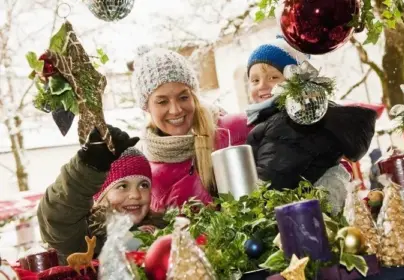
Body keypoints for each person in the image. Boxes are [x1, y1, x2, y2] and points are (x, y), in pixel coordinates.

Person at [245, 38, 377, 212]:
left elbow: (271, 181)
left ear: (294, 80)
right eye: (255, 80)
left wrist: (243, 207)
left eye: (273, 77)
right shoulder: (275, 118)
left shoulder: (289, 121)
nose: (262, 86)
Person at [132, 47, 252, 212]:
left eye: (183, 97)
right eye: (162, 102)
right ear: (146, 108)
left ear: (194, 96)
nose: (175, 110)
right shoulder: (142, 173)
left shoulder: (233, 131)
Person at [37, 125, 165, 264]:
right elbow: (59, 215)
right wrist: (89, 167)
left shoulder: (165, 230)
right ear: (100, 194)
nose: (135, 195)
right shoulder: (85, 239)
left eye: (143, 185)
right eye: (122, 186)